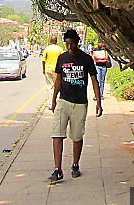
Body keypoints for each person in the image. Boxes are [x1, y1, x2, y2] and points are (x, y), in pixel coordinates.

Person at [49, 28, 102, 183]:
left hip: (79, 103)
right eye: (67, 44)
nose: (70, 46)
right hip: (63, 101)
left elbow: (94, 80)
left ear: (78, 43)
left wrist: (98, 102)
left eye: (72, 43)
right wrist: (53, 99)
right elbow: (58, 79)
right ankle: (57, 169)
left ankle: (75, 165)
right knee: (57, 134)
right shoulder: (62, 58)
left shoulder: (86, 59)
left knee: (77, 136)